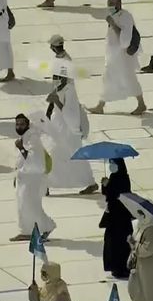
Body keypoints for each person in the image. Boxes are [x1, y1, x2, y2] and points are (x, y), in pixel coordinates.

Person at [38, 64, 97, 195]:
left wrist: (56, 101)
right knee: (53, 154)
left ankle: (91, 182)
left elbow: (71, 113)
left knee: (73, 156)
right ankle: (46, 184)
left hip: (68, 129)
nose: (57, 79)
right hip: (57, 126)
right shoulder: (58, 87)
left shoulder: (70, 90)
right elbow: (51, 105)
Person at [87, 0, 146, 115]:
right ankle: (100, 105)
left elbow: (125, 41)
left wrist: (113, 24)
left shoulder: (125, 17)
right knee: (108, 79)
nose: (110, 5)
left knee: (129, 79)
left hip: (123, 56)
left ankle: (141, 104)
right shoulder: (113, 15)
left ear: (119, 3)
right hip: (113, 55)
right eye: (109, 2)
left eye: (113, 2)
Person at [11, 113, 56, 241]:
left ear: (28, 124)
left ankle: (47, 227)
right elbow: (21, 161)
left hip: (33, 179)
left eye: (22, 124)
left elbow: (35, 161)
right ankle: (27, 231)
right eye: (17, 124)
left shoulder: (32, 138)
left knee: (31, 206)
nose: (19, 126)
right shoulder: (25, 138)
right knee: (23, 205)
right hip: (24, 178)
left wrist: (21, 148)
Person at [100, 158, 133, 279]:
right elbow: (108, 194)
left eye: (113, 163)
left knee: (121, 243)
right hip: (114, 217)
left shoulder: (123, 178)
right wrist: (105, 185)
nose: (111, 165)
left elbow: (119, 194)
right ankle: (115, 267)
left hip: (121, 216)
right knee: (112, 243)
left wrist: (108, 185)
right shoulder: (113, 176)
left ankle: (123, 268)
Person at [127, 209, 153, 301]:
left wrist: (133, 243)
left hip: (150, 267)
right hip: (140, 266)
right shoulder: (139, 226)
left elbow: (147, 250)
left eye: (141, 213)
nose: (139, 216)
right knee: (137, 293)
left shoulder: (152, 229)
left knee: (151, 296)